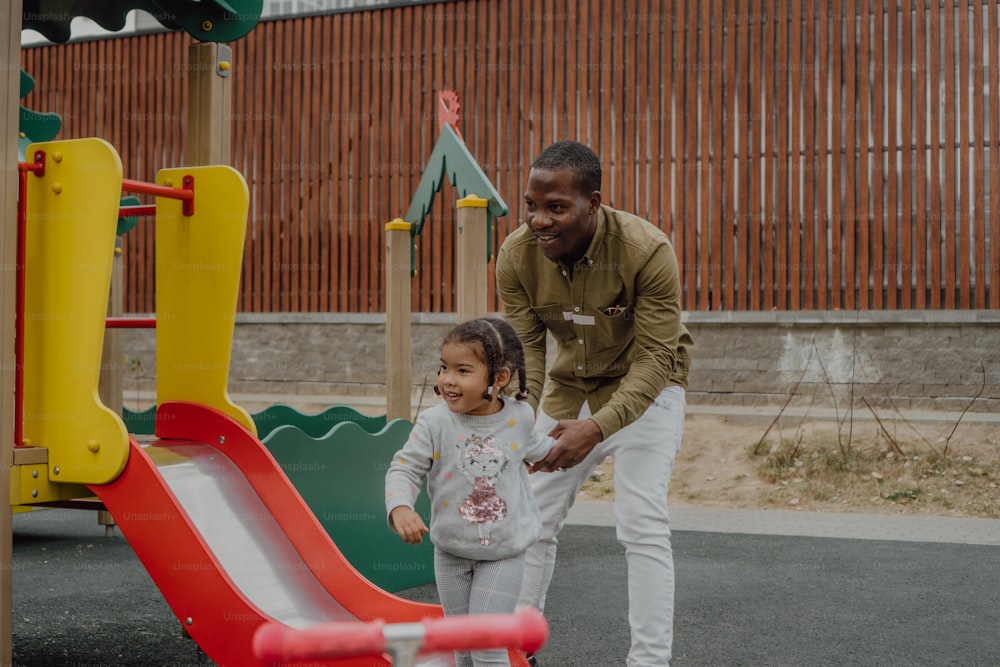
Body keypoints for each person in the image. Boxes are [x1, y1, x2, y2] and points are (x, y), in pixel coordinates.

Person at [495, 140, 693, 667]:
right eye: (532, 205)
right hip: (570, 387)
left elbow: (656, 358)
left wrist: (598, 429)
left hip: (648, 389)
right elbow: (527, 354)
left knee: (640, 523)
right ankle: (517, 650)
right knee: (531, 516)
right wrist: (517, 424)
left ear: (593, 203)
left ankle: (648, 662)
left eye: (556, 207)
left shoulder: (647, 250)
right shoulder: (516, 256)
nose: (539, 220)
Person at [385, 317, 553, 667]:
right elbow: (405, 466)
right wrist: (400, 507)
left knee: (485, 646)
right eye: (444, 367)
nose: (447, 379)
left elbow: (538, 449)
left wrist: (568, 449)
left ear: (499, 378)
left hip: (503, 552)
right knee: (461, 647)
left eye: (463, 370)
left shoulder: (519, 418)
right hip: (450, 551)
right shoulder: (436, 423)